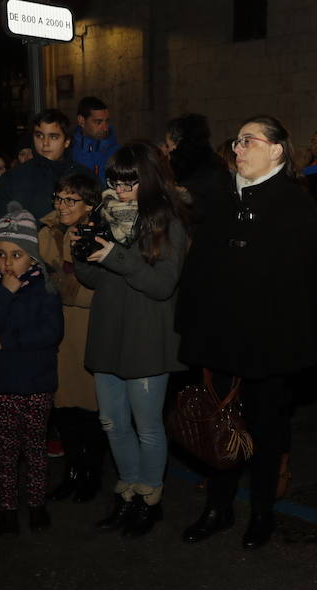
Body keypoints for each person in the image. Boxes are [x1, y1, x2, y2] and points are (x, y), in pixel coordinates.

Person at [176, 115, 317, 550]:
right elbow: (198, 271)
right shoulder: (221, 199)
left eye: (248, 141)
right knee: (220, 424)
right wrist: (194, 325)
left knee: (267, 431)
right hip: (221, 342)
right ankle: (218, 506)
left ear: (276, 150)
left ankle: (262, 512)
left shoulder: (297, 205)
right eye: (235, 141)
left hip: (272, 345)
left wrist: (315, 337)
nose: (238, 148)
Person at [72, 142, 188, 538]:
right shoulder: (105, 215)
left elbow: (161, 285)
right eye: (115, 182)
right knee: (112, 422)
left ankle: (149, 497)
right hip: (109, 334)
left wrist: (115, 257)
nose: (120, 191)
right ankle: (128, 489)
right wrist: (81, 253)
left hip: (146, 338)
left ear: (149, 179)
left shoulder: (166, 222)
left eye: (130, 183)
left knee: (147, 426)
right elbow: (92, 280)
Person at [0, 203, 63, 536]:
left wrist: (6, 342)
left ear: (33, 257)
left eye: (17, 255)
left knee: (35, 448)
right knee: (6, 451)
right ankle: (7, 507)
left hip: (36, 383)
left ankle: (37, 503)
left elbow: (50, 332)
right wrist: (5, 294)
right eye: (2, 254)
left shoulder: (46, 288)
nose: (8, 263)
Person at [39, 173, 106, 503]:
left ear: (90, 205)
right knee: (63, 405)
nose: (62, 205)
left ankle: (92, 472)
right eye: (59, 198)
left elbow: (94, 290)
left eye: (71, 199)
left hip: (88, 327)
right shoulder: (45, 230)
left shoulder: (97, 233)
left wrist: (62, 285)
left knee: (91, 407)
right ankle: (73, 470)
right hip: (56, 329)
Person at [0, 109, 95, 221]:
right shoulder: (13, 178)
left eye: (53, 137)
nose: (45, 143)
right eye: (39, 135)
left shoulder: (85, 176)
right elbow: (0, 225)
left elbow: (96, 218)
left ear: (67, 142)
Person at [164, 113, 234, 228]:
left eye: (168, 145)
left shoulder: (193, 169)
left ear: (179, 143)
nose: (167, 151)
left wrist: (188, 197)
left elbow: (211, 210)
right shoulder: (212, 163)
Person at [72, 96, 119, 184]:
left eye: (107, 121)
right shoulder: (68, 151)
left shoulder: (118, 153)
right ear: (81, 120)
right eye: (98, 122)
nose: (105, 128)